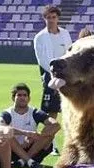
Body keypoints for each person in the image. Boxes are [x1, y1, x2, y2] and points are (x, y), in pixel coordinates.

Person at [33, 4, 72, 155]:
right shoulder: (40, 37)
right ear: (45, 19)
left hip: (67, 76)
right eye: (48, 17)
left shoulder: (65, 34)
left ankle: (69, 145)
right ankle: (51, 146)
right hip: (50, 76)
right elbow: (42, 60)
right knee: (52, 112)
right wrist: (54, 73)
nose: (51, 20)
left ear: (58, 18)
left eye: (53, 17)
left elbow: (70, 52)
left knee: (69, 108)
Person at [0, 83, 60, 168]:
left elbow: (56, 125)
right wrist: (26, 133)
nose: (22, 97)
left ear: (29, 98)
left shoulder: (35, 112)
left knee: (50, 134)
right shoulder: (7, 113)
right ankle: (29, 162)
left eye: (25, 95)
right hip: (12, 151)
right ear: (13, 98)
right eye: (19, 95)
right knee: (7, 133)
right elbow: (0, 126)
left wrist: (37, 136)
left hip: (32, 150)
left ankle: (23, 161)